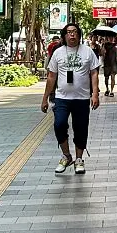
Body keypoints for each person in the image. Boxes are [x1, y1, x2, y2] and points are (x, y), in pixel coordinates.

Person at [41, 23, 99, 174]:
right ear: (64, 36)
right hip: (61, 98)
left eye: (75, 32)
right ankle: (66, 155)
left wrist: (95, 94)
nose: (72, 35)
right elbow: (51, 76)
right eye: (68, 32)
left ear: (79, 35)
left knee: (81, 128)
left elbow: (94, 73)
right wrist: (45, 98)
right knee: (59, 125)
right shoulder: (58, 53)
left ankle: (79, 160)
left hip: (82, 98)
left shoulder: (88, 52)